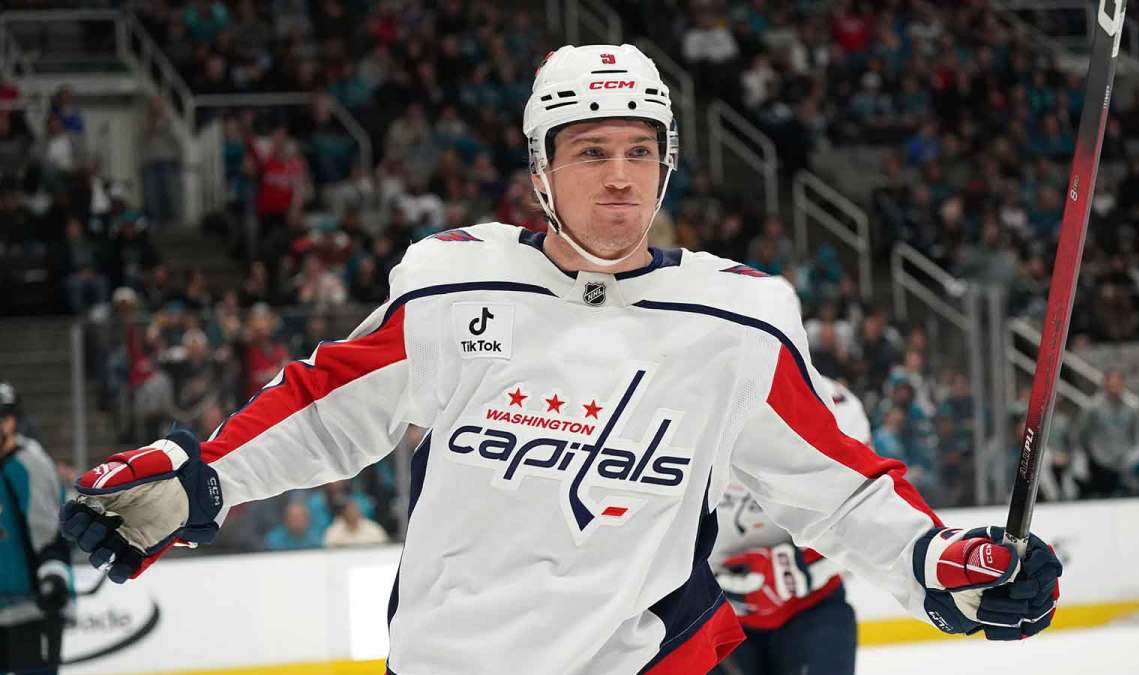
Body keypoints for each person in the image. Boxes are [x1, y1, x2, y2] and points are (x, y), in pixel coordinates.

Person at [60, 44, 1062, 674]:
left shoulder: (736, 319)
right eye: (591, 151)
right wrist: (206, 479)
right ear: (542, 169)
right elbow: (330, 405)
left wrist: (939, 561)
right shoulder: (457, 285)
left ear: (668, 163)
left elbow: (835, 488)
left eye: (640, 151)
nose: (619, 179)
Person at [711, 375, 867, 675]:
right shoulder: (695, 397)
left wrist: (802, 568)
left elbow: (861, 513)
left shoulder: (839, 407)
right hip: (707, 615)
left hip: (811, 610)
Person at [0, 383, 71, 674]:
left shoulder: (30, 464)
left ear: (14, 420)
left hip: (33, 609)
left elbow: (51, 532)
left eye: (3, 416)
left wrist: (53, 578)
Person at [1076, 369, 1139, 498]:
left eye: (1117, 385)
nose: (1114, 389)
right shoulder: (1092, 407)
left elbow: (1137, 436)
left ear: (1123, 385)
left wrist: (1133, 457)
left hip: (1125, 462)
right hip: (1099, 463)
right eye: (1111, 385)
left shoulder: (1133, 407)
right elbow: (1082, 435)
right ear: (1105, 386)